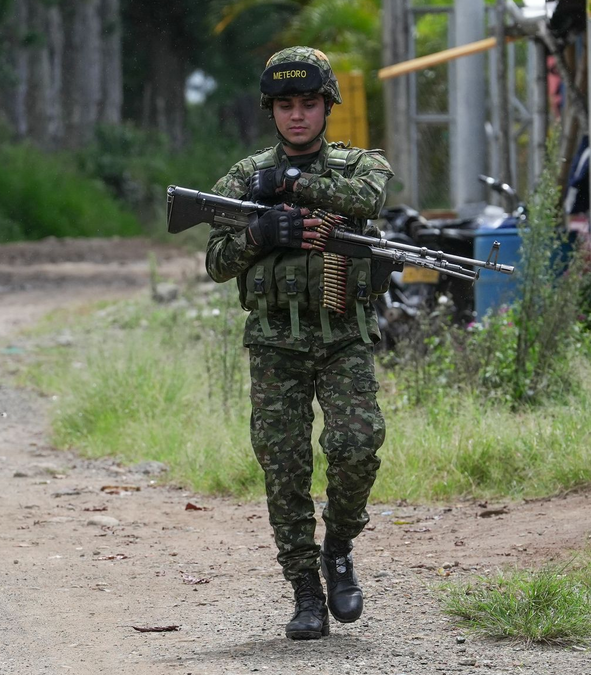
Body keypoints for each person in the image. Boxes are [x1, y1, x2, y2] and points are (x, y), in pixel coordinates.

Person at [204, 47, 393, 640]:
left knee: (358, 444)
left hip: (343, 336)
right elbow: (216, 262)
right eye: (285, 105)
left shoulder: (360, 166)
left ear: (327, 106)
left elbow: (369, 200)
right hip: (274, 342)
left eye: (308, 103)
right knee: (284, 468)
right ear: (271, 111)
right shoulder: (241, 179)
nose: (297, 116)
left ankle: (338, 544)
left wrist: (291, 185)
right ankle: (306, 591)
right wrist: (262, 230)